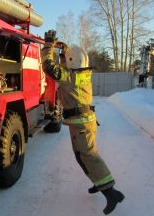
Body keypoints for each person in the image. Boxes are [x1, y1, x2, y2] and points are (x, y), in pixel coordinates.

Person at [41, 30, 124, 215]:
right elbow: (65, 67)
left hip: (81, 125)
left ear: (73, 62)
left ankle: (111, 193)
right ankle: (99, 182)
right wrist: (63, 52)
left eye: (66, 60)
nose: (64, 63)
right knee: (84, 156)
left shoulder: (71, 76)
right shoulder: (79, 74)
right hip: (83, 123)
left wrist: (48, 46)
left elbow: (48, 67)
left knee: (88, 156)